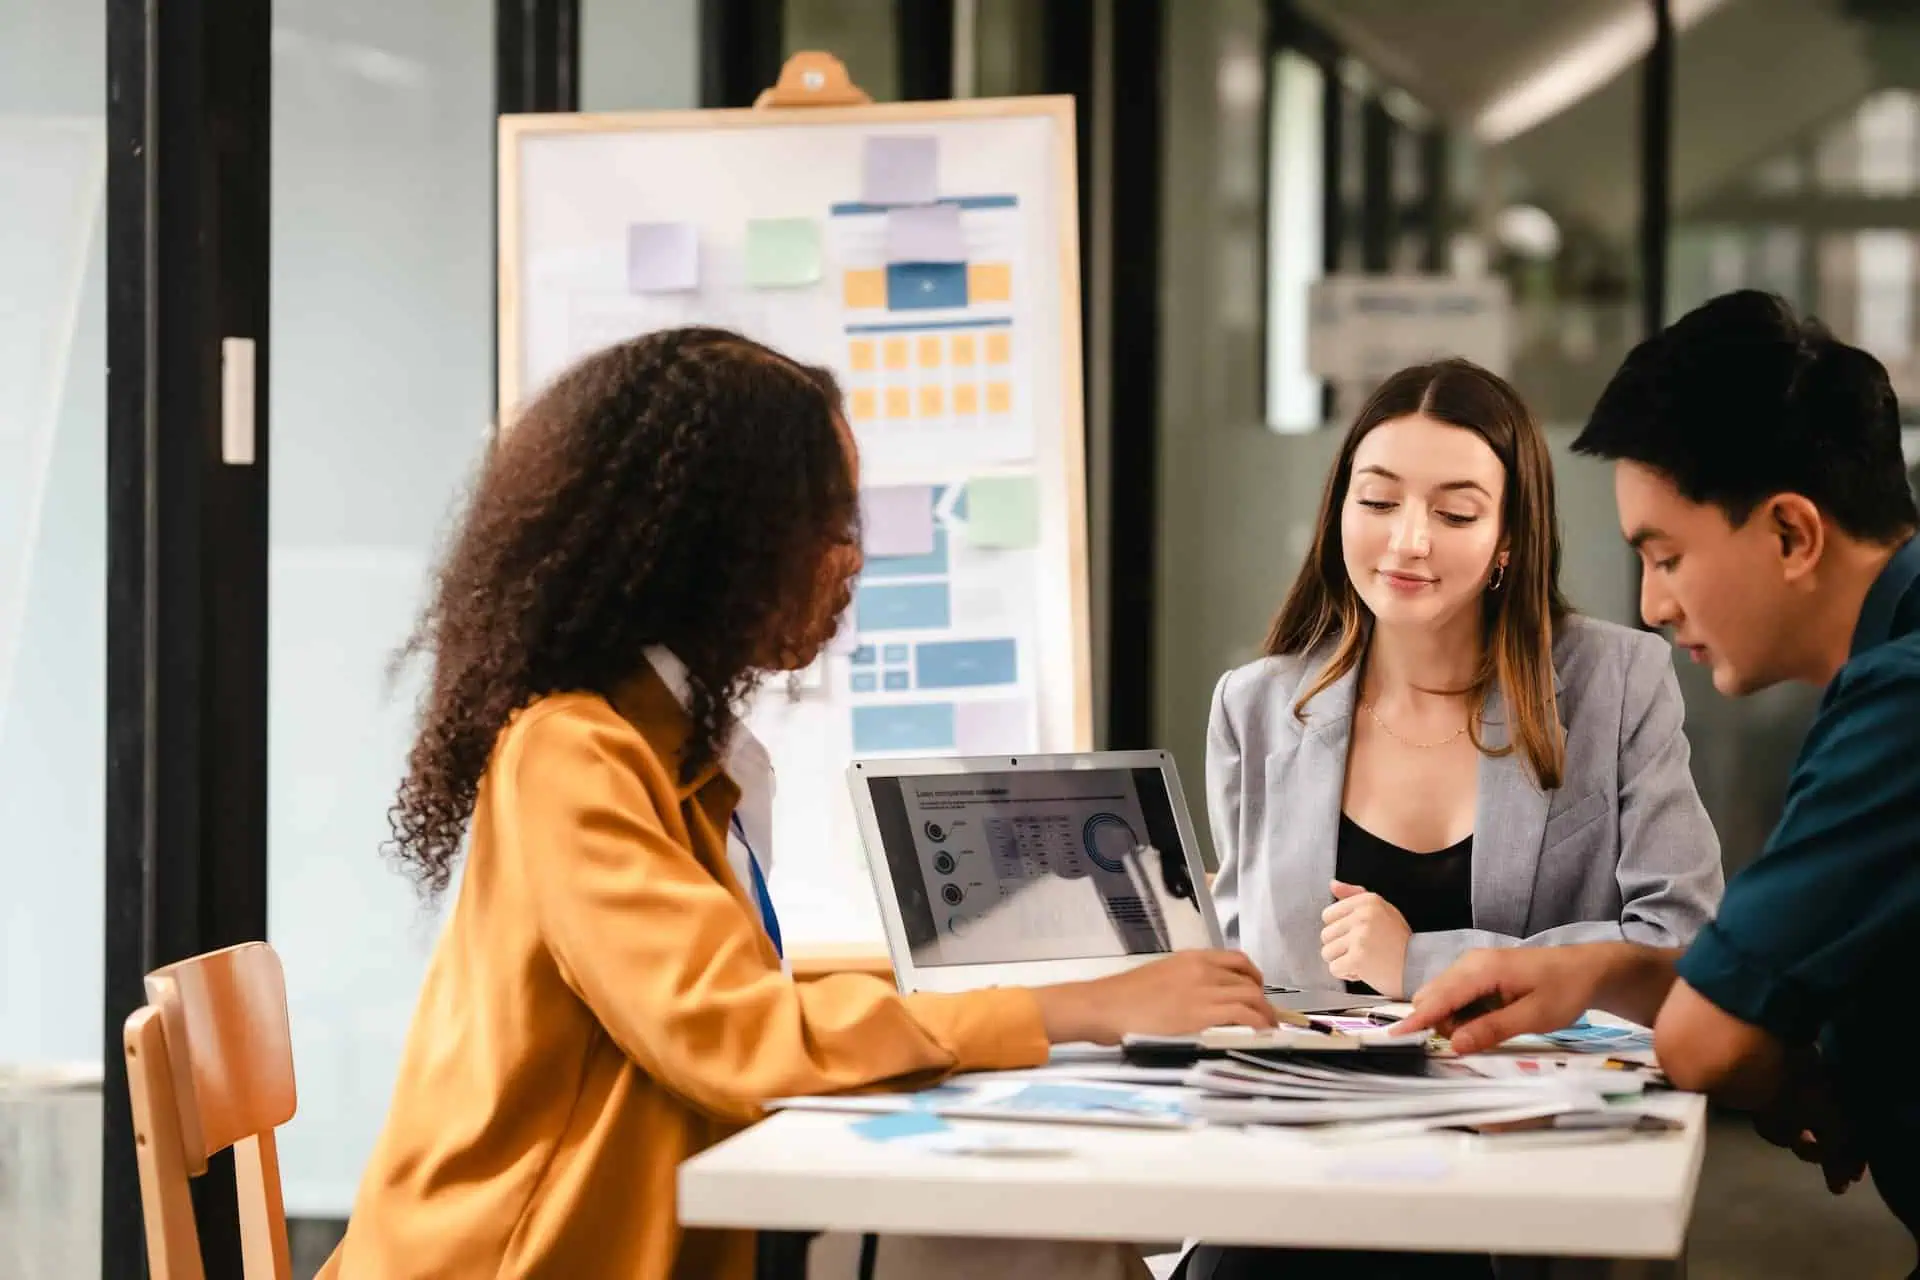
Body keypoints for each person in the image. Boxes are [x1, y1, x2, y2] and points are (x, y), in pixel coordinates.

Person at [317, 328, 1277, 1280]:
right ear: (711, 539)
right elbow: (735, 1037)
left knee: (1058, 1251)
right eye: (825, 521)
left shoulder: (669, 748)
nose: (851, 558)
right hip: (520, 1260)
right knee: (1039, 1255)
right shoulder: (574, 752)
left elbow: (730, 1000)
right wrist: (1085, 1006)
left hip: (655, 1240)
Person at [1398, 292, 1920, 1264]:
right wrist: (1595, 969)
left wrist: (1789, 1068)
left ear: (1793, 535)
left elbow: (1706, 1043)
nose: (1653, 604)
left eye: (1668, 555)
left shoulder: (1900, 703)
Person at [1207, 359, 1724, 1005]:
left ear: (1508, 537)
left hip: (1542, 1098)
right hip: (1312, 1099)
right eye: (1377, 501)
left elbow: (1682, 942)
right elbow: (1244, 966)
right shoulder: (1254, 706)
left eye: (1455, 514)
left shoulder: (1616, 682)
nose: (1408, 540)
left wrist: (1421, 962)